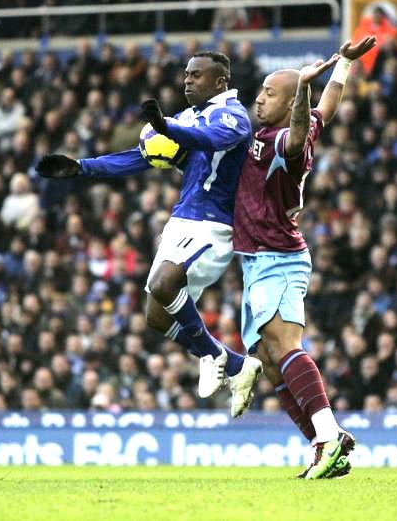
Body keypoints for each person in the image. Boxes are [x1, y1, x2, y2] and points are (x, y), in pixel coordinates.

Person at [35, 51, 262, 417]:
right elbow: (140, 157)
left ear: (220, 81)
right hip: (182, 219)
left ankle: (213, 355)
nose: (187, 80)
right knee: (156, 315)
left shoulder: (232, 116)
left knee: (162, 284)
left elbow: (210, 139)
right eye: (186, 74)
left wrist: (169, 129)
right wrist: (82, 168)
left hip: (213, 223)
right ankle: (235, 364)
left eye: (197, 75)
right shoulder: (187, 117)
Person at [232, 36, 377, 479]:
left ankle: (329, 436)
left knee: (284, 346)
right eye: (260, 91)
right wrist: (344, 66)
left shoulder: (283, 143)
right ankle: (323, 447)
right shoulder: (280, 130)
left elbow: (297, 136)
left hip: (277, 257)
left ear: (290, 101)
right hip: (258, 260)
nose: (259, 99)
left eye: (269, 93)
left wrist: (303, 88)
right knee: (267, 357)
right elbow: (325, 110)